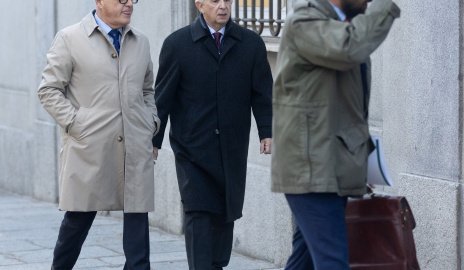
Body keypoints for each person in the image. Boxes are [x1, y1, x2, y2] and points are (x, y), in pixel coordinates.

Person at [271, 0, 400, 269]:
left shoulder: (339, 27)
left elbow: (346, 113)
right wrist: (386, 6)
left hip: (328, 168)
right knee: (333, 262)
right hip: (311, 173)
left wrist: (353, 166)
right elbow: (350, 47)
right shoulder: (305, 23)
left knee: (304, 261)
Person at [37, 0, 160, 269]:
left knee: (138, 223)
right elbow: (48, 90)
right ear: (100, 1)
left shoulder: (141, 41)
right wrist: (77, 124)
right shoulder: (70, 38)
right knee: (78, 220)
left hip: (135, 148)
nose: (129, 4)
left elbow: (148, 90)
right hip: (90, 148)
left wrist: (150, 122)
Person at [152, 0, 273, 268]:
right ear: (200, 5)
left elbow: (262, 93)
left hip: (231, 150)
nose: (223, 6)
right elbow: (163, 99)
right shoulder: (178, 44)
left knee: (223, 221)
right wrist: (154, 140)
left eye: (227, 0)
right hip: (192, 150)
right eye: (215, 1)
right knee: (198, 214)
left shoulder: (250, 44)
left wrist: (267, 130)